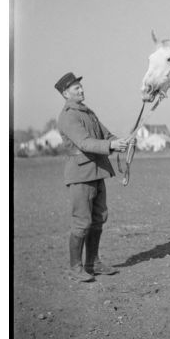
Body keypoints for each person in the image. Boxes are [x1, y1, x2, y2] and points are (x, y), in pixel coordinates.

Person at [55, 72, 131, 282]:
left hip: (97, 172)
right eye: (75, 88)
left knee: (98, 219)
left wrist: (121, 141)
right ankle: (75, 267)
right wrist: (111, 146)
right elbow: (85, 142)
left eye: (80, 86)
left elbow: (106, 136)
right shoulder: (69, 115)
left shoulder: (88, 112)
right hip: (80, 175)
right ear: (65, 93)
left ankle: (93, 263)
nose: (81, 89)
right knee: (82, 222)